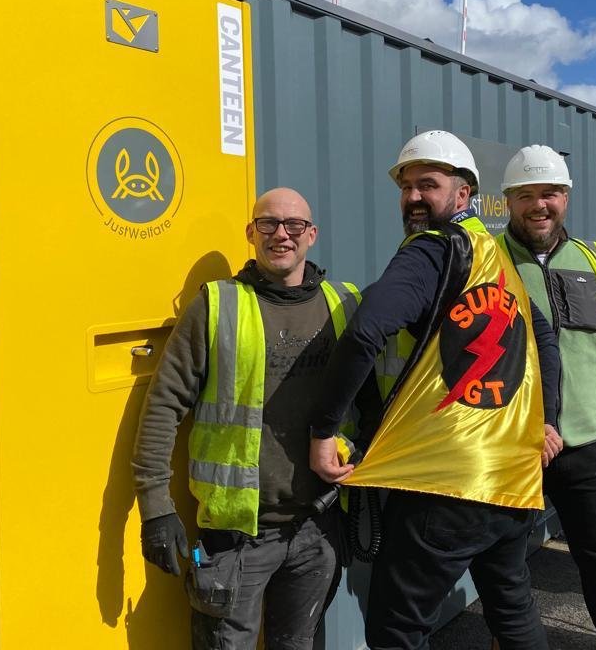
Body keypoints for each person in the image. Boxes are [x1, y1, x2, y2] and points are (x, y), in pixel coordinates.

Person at [309, 130, 561, 650]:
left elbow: (364, 334)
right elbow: (543, 336)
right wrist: (544, 421)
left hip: (443, 480)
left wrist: (322, 430)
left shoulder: (431, 250)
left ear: (463, 194)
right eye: (406, 186)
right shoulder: (491, 256)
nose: (414, 197)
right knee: (512, 610)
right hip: (509, 474)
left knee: (396, 630)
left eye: (429, 184)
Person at [132, 187, 378, 650]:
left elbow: (372, 404)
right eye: (268, 224)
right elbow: (164, 403)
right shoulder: (217, 306)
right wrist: (155, 506)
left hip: (317, 528)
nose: (280, 235)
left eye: (293, 226)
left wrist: (358, 456)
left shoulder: (343, 305)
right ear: (251, 232)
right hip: (235, 538)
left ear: (312, 235)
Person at [497, 144, 596, 650]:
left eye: (550, 194)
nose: (538, 205)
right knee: (504, 566)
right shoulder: (490, 261)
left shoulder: (592, 257)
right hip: (514, 449)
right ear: (507, 201)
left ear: (566, 198)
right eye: (525, 195)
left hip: (589, 441)